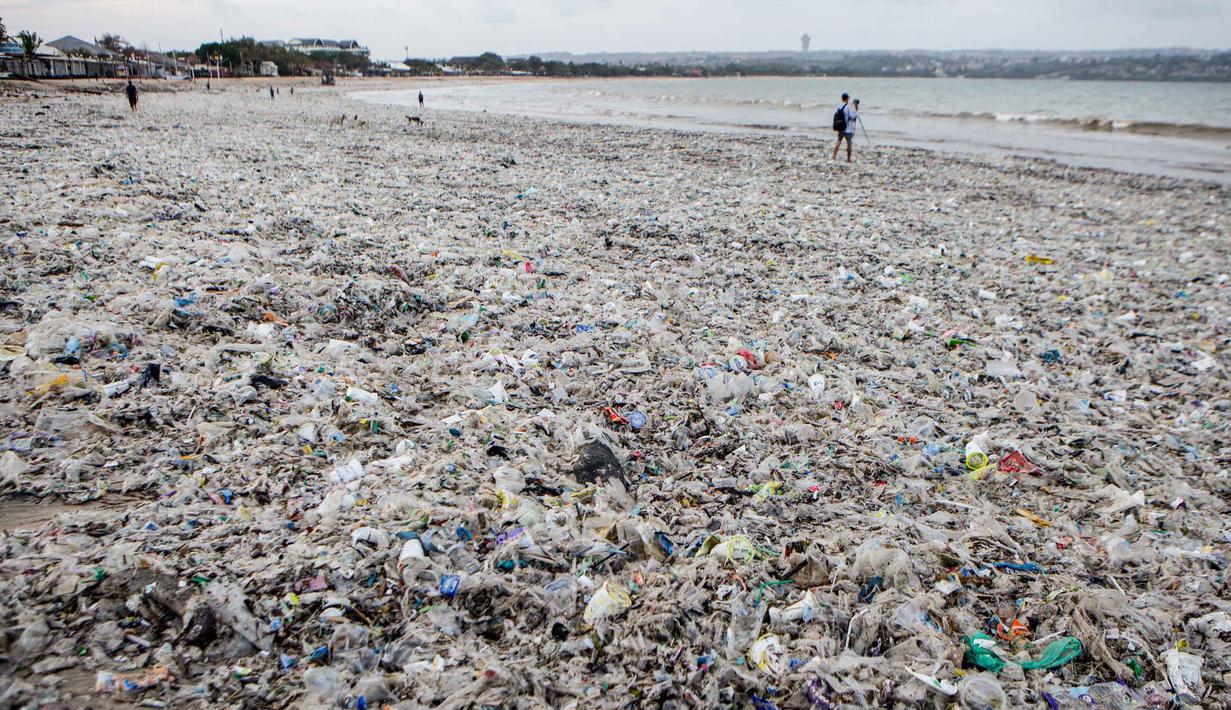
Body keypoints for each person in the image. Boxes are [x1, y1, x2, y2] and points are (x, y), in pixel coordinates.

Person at [831, 92, 856, 162]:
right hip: (847, 129)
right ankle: (848, 158)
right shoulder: (848, 107)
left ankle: (833, 156)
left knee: (838, 141)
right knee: (849, 144)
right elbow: (852, 116)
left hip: (840, 127)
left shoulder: (839, 106)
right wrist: (855, 109)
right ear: (847, 99)